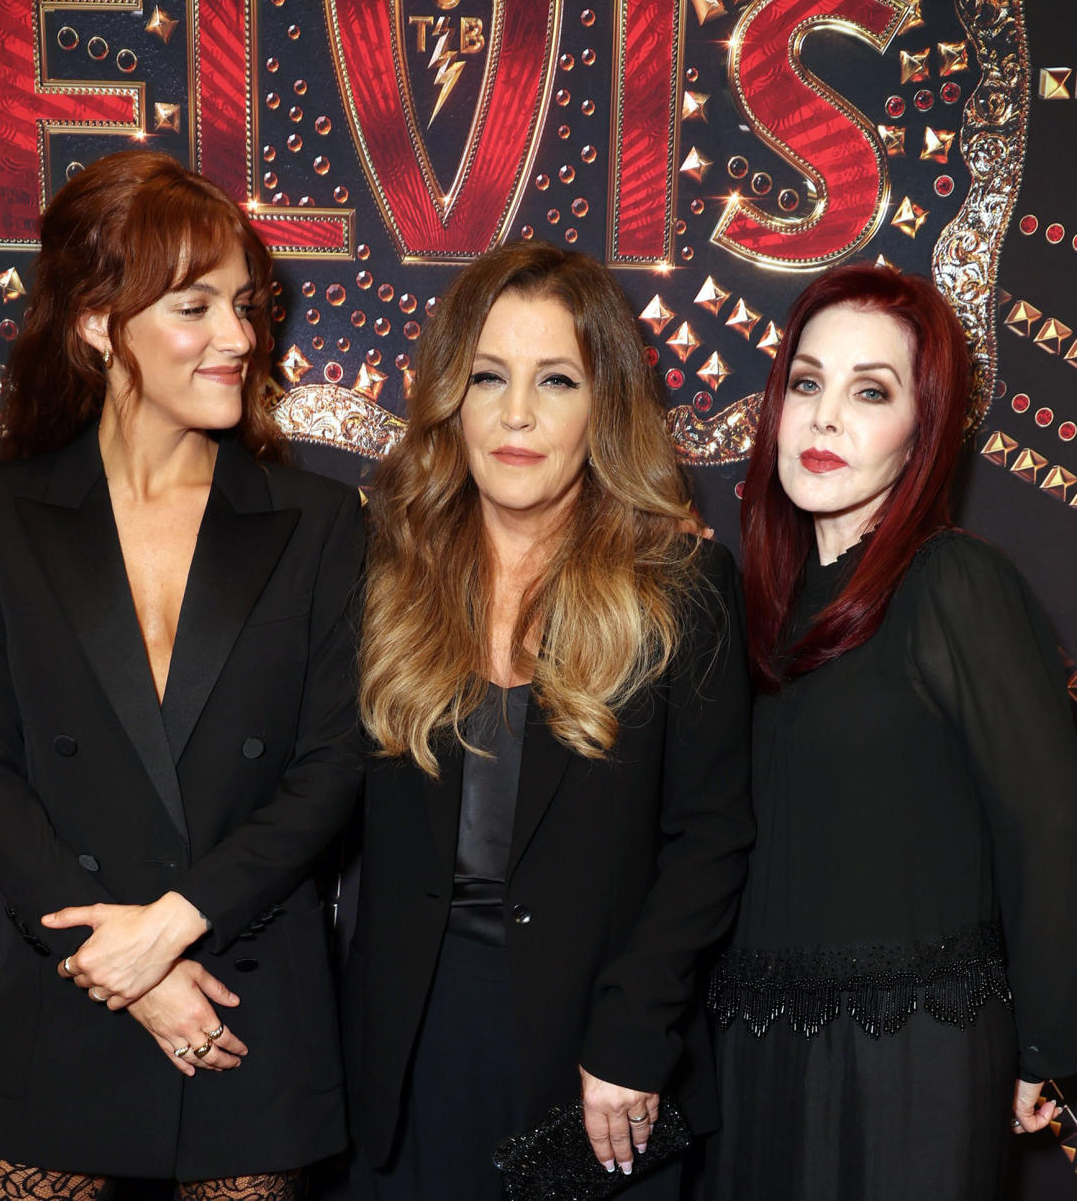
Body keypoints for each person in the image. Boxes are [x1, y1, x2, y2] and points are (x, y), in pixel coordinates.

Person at [0, 150, 364, 1201]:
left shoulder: (316, 521)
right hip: (74, 973)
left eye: (246, 306)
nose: (240, 338)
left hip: (245, 986)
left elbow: (333, 764)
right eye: (195, 306)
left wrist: (175, 932)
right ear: (97, 323)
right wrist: (126, 973)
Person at [345, 241, 755, 1200]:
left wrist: (635, 1028)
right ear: (452, 395)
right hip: (406, 1045)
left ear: (603, 406)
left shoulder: (680, 589)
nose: (517, 413)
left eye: (556, 380)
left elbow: (712, 836)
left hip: (600, 1053)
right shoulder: (379, 575)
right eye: (489, 376)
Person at [704, 264, 1077, 1200]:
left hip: (914, 1056)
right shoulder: (752, 611)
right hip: (755, 1053)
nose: (825, 417)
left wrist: (1049, 1044)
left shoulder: (956, 584)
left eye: (870, 391)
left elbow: (1051, 826)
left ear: (924, 432)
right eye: (806, 382)